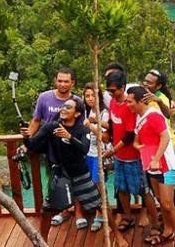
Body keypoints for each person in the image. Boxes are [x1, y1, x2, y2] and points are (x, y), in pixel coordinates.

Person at [21, 98, 101, 240]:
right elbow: (33, 145)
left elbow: (84, 149)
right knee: (46, 210)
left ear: (77, 114)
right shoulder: (51, 127)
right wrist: (26, 138)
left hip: (80, 174)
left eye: (68, 107)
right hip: (60, 175)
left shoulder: (82, 129)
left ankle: (117, 235)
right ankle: (42, 241)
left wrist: (69, 137)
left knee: (99, 205)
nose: (63, 109)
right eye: (63, 106)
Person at [127, 86, 175, 245]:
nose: (128, 105)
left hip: (165, 165)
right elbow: (138, 137)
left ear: (140, 101)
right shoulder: (139, 116)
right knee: (160, 201)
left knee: (167, 204)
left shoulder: (154, 115)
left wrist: (156, 159)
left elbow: (165, 137)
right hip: (151, 166)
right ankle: (168, 229)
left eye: (130, 102)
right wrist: (136, 145)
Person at [105, 71, 145, 234]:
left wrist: (112, 150)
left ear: (122, 87)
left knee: (140, 188)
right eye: (108, 91)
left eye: (114, 91)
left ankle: (144, 212)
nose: (111, 94)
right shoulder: (113, 103)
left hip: (132, 156)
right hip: (119, 156)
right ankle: (127, 216)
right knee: (121, 187)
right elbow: (112, 121)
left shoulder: (129, 106)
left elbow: (129, 135)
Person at [82, 83, 110, 232]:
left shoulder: (104, 113)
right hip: (87, 153)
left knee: (99, 185)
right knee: (91, 185)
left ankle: (102, 214)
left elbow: (105, 137)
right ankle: (96, 211)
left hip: (99, 154)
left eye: (93, 95)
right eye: (87, 96)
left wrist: (91, 125)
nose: (90, 98)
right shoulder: (85, 112)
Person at [142, 69, 175, 145]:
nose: (145, 84)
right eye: (145, 81)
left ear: (158, 86)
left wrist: (159, 101)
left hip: (167, 143)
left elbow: (167, 115)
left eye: (149, 83)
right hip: (153, 143)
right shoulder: (143, 95)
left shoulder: (161, 98)